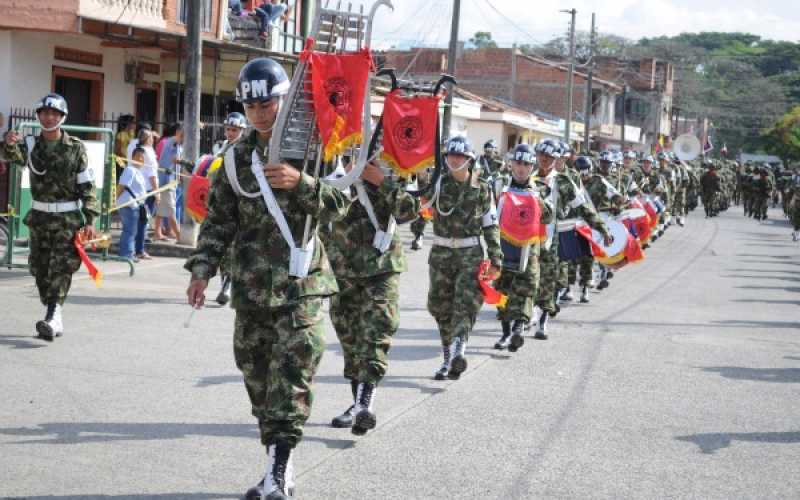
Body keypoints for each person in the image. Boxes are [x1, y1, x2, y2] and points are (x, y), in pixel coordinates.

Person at [185, 57, 348, 500]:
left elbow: (343, 204)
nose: (260, 111)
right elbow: (219, 222)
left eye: (268, 102)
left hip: (302, 288)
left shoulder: (315, 148)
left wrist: (302, 183)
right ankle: (280, 459)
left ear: (285, 100)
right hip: (252, 290)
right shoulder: (234, 161)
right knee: (257, 378)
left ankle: (278, 472)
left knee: (290, 380)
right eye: (251, 104)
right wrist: (202, 269)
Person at [326, 160, 420, 435]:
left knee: (376, 333)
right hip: (343, 269)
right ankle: (357, 404)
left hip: (382, 267)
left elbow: (410, 210)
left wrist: (381, 180)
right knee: (351, 339)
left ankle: (365, 405)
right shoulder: (329, 159)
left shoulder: (396, 165)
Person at [18, 93, 99, 341]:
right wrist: (8, 142)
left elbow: (88, 186)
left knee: (61, 268)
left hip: (67, 220)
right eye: (44, 113)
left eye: (54, 113)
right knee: (40, 269)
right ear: (39, 116)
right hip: (39, 218)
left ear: (62, 117)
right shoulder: (31, 145)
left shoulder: (75, 148)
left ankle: (54, 316)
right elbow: (10, 156)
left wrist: (90, 219)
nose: (49, 117)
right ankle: (53, 309)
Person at [426, 135, 502, 381]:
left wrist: (495, 257)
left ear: (469, 159)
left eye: (460, 156)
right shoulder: (437, 183)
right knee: (441, 307)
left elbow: (490, 225)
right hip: (440, 254)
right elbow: (417, 205)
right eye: (450, 155)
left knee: (465, 303)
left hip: (469, 254)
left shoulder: (482, 187)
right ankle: (447, 358)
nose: (454, 160)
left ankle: (459, 350)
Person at [492, 144, 551, 351]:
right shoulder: (499, 185)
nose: (521, 168)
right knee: (502, 291)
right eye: (518, 163)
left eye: (526, 164)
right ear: (511, 164)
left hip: (529, 249)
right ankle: (506, 332)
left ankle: (518, 329)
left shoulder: (540, 189)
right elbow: (487, 210)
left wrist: (539, 201)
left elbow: (549, 216)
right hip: (503, 245)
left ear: (531, 167)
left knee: (526, 290)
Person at [213, 112, 248, 306]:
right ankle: (225, 284)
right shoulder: (222, 148)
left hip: (241, 206)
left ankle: (230, 286)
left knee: (237, 249)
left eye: (234, 130)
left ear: (242, 130)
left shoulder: (246, 151)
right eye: (228, 129)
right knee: (224, 248)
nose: (230, 133)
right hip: (223, 205)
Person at [117, 147, 149, 261]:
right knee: (129, 230)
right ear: (133, 157)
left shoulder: (138, 172)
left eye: (143, 157)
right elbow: (122, 186)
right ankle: (127, 254)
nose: (141, 159)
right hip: (128, 205)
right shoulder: (130, 169)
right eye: (138, 156)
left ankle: (129, 253)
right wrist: (114, 200)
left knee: (132, 230)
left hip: (135, 206)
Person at [133, 129, 159, 259]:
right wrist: (156, 191)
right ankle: (139, 250)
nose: (153, 139)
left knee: (138, 220)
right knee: (143, 220)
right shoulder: (148, 152)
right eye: (151, 137)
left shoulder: (138, 149)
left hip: (138, 188)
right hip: (148, 189)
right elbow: (152, 174)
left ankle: (136, 248)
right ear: (147, 139)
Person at [154, 124, 183, 241]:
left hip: (171, 181)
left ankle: (157, 232)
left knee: (161, 209)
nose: (184, 137)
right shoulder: (171, 142)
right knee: (171, 209)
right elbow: (174, 160)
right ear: (177, 133)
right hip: (166, 181)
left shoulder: (179, 146)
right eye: (182, 135)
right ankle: (179, 235)